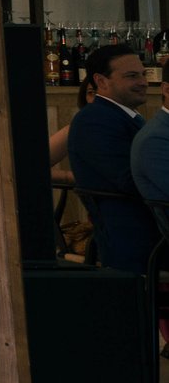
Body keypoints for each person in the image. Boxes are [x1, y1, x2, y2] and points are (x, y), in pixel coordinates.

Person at [64, 43, 156, 274]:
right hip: (133, 235)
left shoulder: (121, 116)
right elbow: (129, 180)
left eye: (143, 74)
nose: (143, 82)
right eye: (132, 76)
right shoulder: (95, 121)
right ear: (101, 81)